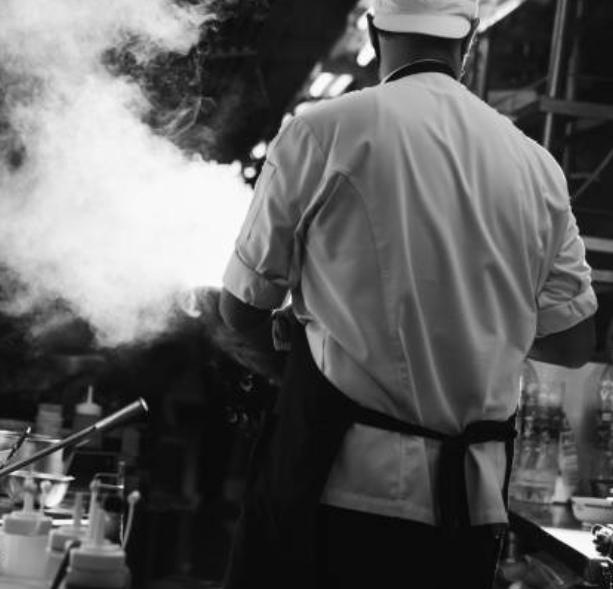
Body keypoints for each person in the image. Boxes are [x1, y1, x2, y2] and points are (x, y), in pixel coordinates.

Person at [218, 0, 598, 588]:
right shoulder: (538, 166)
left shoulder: (322, 130)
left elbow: (239, 310)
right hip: (469, 514)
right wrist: (477, 327)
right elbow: (574, 342)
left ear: (374, 29)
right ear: (468, 40)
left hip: (339, 494)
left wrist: (288, 349)